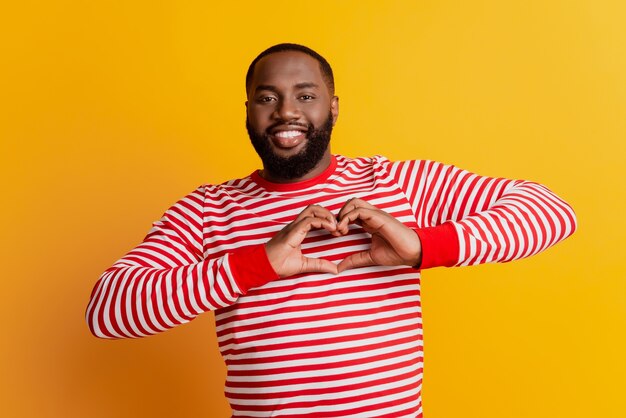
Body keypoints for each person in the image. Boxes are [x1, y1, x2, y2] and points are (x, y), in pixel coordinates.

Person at [86, 43, 577, 417]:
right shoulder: (209, 209)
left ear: (334, 106)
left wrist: (423, 245)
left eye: (305, 95)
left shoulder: (393, 182)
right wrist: (257, 263)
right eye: (267, 97)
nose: (286, 112)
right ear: (248, 113)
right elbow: (108, 310)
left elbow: (551, 211)